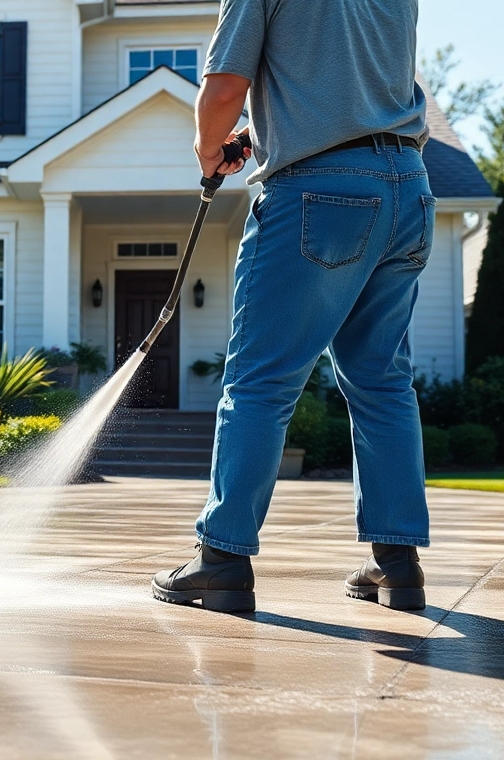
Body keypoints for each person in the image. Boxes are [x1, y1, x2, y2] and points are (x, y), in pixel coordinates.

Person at [153, 0, 435, 613]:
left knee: (260, 379)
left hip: (319, 192)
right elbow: (354, 88)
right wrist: (267, 130)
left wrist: (209, 148)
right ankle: (397, 566)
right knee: (382, 383)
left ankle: (221, 560)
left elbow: (226, 86)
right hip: (408, 187)